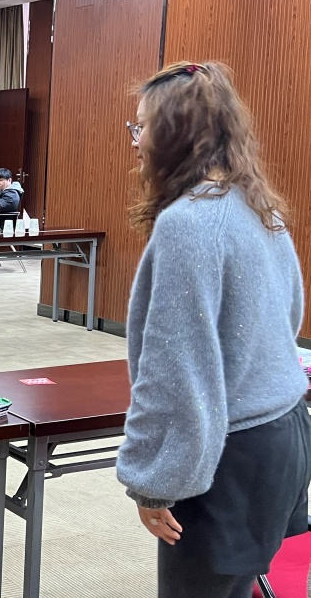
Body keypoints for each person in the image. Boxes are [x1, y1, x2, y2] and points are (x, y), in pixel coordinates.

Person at [116, 61, 311, 598]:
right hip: (284, 438)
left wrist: (153, 482)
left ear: (176, 132)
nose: (135, 142)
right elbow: (289, 317)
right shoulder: (258, 204)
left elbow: (174, 370)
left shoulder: (188, 222)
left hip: (230, 453)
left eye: (142, 127)